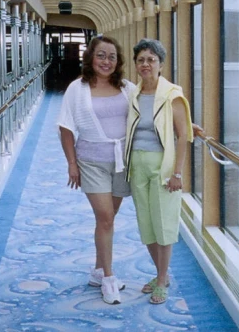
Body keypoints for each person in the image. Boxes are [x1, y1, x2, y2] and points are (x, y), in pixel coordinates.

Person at [57, 35, 136, 305]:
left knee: (109, 217)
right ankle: (109, 278)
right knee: (105, 218)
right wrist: (72, 164)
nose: (106, 61)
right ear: (90, 57)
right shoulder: (77, 89)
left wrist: (185, 124)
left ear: (119, 61)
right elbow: (65, 127)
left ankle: (97, 270)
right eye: (101, 55)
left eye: (112, 56)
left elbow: (153, 110)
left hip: (122, 161)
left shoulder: (127, 87)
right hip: (90, 160)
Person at [124, 38, 195, 305]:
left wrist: (177, 173)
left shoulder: (172, 95)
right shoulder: (135, 94)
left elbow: (182, 135)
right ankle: (160, 274)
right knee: (147, 224)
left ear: (161, 64)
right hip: (137, 165)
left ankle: (163, 279)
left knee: (164, 224)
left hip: (163, 166)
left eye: (151, 60)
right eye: (141, 60)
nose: (145, 64)